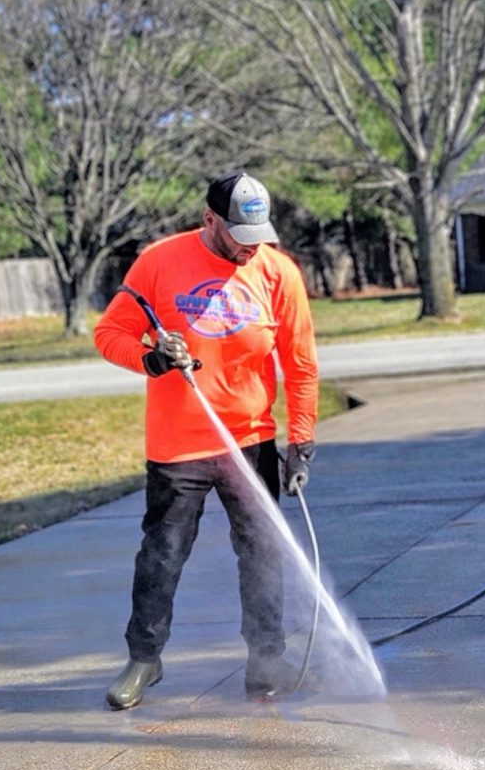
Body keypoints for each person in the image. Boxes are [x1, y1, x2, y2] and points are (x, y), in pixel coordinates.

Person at [93, 171, 319, 709]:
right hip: (179, 446)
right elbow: (110, 334)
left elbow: (301, 364)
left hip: (251, 440)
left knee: (263, 554)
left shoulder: (277, 272)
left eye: (259, 235)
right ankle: (144, 659)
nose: (250, 249)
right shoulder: (159, 262)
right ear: (210, 220)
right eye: (240, 236)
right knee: (163, 556)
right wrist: (150, 360)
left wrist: (300, 442)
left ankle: (267, 663)